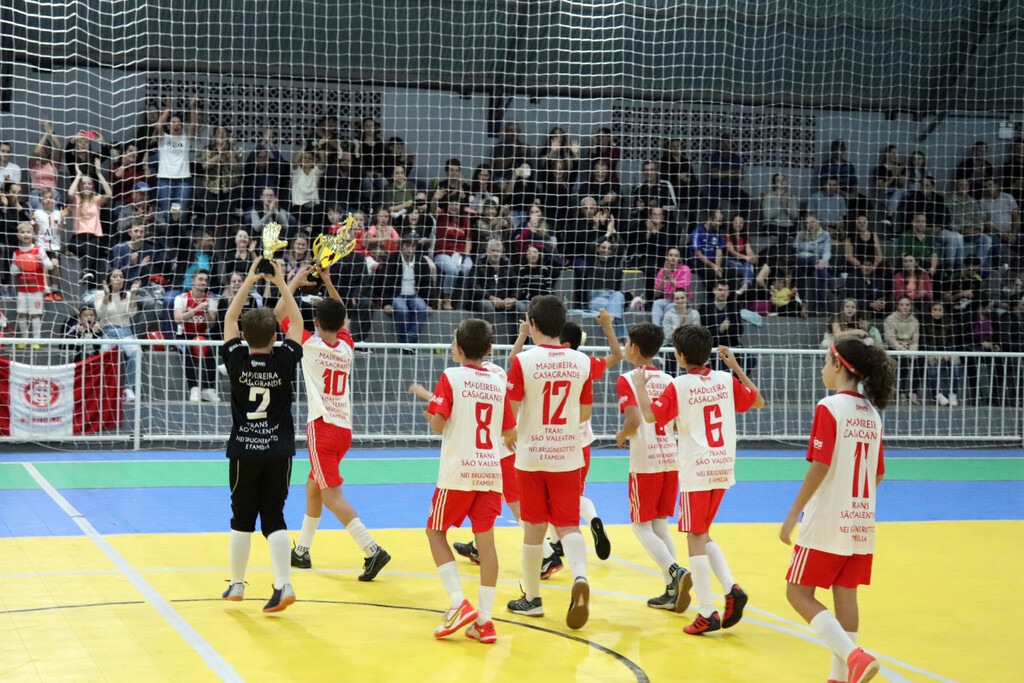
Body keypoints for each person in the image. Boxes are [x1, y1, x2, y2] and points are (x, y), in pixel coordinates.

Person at [779, 329, 895, 683]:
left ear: (838, 365)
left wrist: (791, 516)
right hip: (860, 520)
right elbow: (878, 473)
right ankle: (840, 677)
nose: (821, 369)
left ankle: (853, 657)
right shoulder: (872, 413)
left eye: (825, 362)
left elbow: (820, 463)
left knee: (797, 592)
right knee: (846, 596)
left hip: (828, 519)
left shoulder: (829, 406)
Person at [634, 325, 764, 635]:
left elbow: (651, 416)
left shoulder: (679, 385)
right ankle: (732, 588)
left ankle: (707, 611)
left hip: (698, 468)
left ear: (680, 355)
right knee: (703, 533)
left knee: (694, 536)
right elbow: (757, 402)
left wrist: (640, 385)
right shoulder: (723, 379)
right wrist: (736, 368)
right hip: (723, 466)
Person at [274, 264, 392, 579]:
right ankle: (302, 551)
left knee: (331, 493)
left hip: (322, 427)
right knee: (314, 485)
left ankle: (371, 549)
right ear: (341, 325)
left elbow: (278, 313)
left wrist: (296, 281)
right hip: (344, 429)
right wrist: (328, 282)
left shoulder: (309, 344)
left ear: (314, 322)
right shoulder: (346, 347)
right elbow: (342, 318)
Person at [505, 295, 595, 629]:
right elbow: (585, 413)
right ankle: (580, 577)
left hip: (531, 456)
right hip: (568, 455)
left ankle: (532, 599)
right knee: (568, 524)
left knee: (534, 528)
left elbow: (510, 413)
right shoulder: (581, 362)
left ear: (532, 324)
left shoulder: (525, 361)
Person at [220, 257, 304, 613]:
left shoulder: (236, 360)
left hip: (244, 451)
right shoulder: (284, 359)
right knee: (275, 518)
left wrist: (251, 279)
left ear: (244, 337)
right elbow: (298, 322)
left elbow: (228, 319)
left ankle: (237, 585)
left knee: (242, 518)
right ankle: (283, 585)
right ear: (275, 336)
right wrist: (282, 281)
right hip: (279, 451)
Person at [425, 318, 516, 643]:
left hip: (458, 471)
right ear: (490, 350)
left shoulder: (451, 376)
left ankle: (457, 602)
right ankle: (485, 620)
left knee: (435, 532)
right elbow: (508, 431)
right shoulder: (497, 378)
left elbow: (437, 424)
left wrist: (432, 411)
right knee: (486, 544)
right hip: (490, 472)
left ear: (459, 349)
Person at [614, 323, 689, 611]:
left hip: (645, 461)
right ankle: (672, 589)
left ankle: (675, 572)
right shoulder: (669, 379)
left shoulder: (628, 379)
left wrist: (620, 436)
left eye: (627, 341)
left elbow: (634, 421)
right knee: (660, 524)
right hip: (670, 457)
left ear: (633, 347)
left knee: (640, 526)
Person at [173, 268, 219, 402]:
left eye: (205, 280)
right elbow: (178, 319)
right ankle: (194, 388)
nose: (203, 282)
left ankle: (208, 389)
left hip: (202, 335)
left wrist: (205, 313)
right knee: (188, 350)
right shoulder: (181, 298)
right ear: (192, 281)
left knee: (210, 351)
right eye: (200, 279)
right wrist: (196, 309)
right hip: (184, 335)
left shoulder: (211, 299)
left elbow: (211, 324)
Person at [96, 269, 141, 403]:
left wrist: (132, 295)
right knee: (105, 353)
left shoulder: (127, 295)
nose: (118, 279)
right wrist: (106, 296)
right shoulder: (99, 294)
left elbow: (132, 313)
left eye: (121, 276)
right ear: (109, 279)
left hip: (125, 331)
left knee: (136, 352)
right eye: (114, 276)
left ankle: (127, 388)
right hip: (108, 331)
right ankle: (108, 389)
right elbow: (100, 314)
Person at [153, 95, 200, 216]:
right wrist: (168, 108)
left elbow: (193, 125)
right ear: (168, 126)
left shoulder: (185, 139)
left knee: (181, 215)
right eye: (173, 122)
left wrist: (192, 107)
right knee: (165, 214)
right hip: (164, 179)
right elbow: (158, 126)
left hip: (183, 180)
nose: (176, 125)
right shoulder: (163, 138)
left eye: (179, 123)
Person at [10, 222, 53, 349]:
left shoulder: (38, 250)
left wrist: (41, 261)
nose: (26, 235)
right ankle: (24, 339)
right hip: (23, 289)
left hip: (36, 289)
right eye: (23, 232)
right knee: (21, 314)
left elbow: (50, 265)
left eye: (28, 232)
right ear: (18, 235)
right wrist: (21, 263)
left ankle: (36, 340)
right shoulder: (17, 253)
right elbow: (12, 271)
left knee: (35, 314)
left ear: (33, 234)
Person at [884, 297, 920, 405]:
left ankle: (913, 392)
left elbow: (915, 340)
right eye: (902, 305)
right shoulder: (890, 319)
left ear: (911, 306)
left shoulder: (915, 321)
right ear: (898, 306)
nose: (905, 307)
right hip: (894, 348)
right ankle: (901, 393)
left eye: (907, 305)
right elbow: (890, 339)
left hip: (909, 348)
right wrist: (902, 349)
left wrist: (912, 352)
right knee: (903, 361)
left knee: (919, 361)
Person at [651, 248, 691, 327]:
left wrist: (669, 276)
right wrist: (664, 278)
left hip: (682, 300)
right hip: (668, 299)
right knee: (657, 303)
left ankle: (665, 329)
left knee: (670, 306)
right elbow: (656, 294)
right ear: (667, 258)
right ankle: (656, 329)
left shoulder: (685, 269)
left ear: (679, 259)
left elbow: (681, 289)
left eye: (676, 256)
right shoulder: (662, 271)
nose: (673, 258)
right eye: (671, 255)